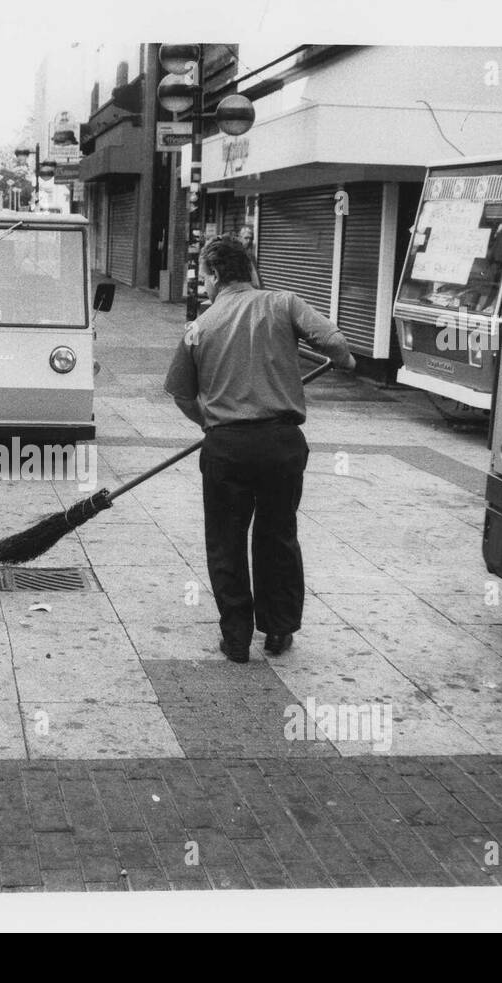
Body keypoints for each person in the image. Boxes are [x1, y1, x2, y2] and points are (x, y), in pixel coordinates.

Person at [164, 236, 356, 663]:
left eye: (205, 277)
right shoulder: (284, 303)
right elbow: (336, 344)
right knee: (277, 537)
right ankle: (279, 630)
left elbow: (180, 394)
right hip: (280, 445)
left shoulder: (199, 327)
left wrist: (210, 424)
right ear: (248, 270)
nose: (205, 286)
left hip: (226, 448)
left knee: (226, 541)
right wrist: (346, 362)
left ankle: (236, 639)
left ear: (214, 274)